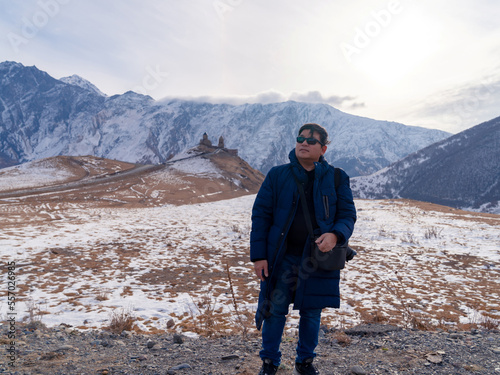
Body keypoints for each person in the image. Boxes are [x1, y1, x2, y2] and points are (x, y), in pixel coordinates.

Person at [250, 123, 357, 375]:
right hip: (280, 257)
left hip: (316, 259)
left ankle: (305, 362)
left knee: (311, 313)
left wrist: (335, 234)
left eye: (311, 140)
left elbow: (347, 215)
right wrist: (259, 257)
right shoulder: (278, 175)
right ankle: (269, 362)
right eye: (300, 138)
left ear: (323, 148)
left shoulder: (337, 177)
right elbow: (261, 216)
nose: (304, 143)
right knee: (275, 311)